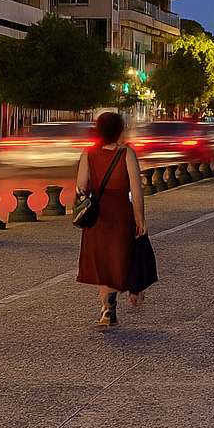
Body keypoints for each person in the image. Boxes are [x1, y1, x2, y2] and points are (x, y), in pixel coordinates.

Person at [75, 111, 145, 326]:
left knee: (103, 263)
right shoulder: (127, 154)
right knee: (119, 258)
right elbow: (136, 189)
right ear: (119, 130)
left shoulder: (88, 155)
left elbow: (80, 188)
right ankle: (117, 298)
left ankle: (107, 306)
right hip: (121, 213)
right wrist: (140, 219)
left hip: (98, 216)